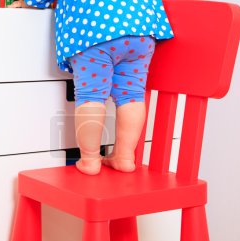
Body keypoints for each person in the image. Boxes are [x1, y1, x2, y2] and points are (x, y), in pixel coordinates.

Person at [10, 0, 173, 175]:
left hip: (95, 28)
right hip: (142, 29)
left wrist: (27, 2)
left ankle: (89, 159)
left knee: (91, 96)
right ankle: (124, 157)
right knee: (132, 95)